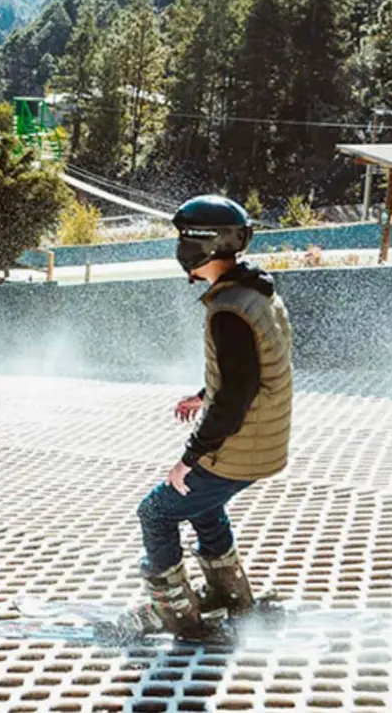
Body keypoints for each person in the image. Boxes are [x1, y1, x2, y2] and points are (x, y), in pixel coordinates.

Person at [115, 195, 293, 641]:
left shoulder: (228, 311)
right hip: (263, 440)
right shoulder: (254, 292)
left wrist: (189, 458)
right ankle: (231, 596)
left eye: (182, 239)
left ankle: (178, 615)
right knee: (205, 507)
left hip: (240, 444)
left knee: (156, 512)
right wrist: (202, 394)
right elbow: (251, 369)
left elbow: (235, 396)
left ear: (202, 246)